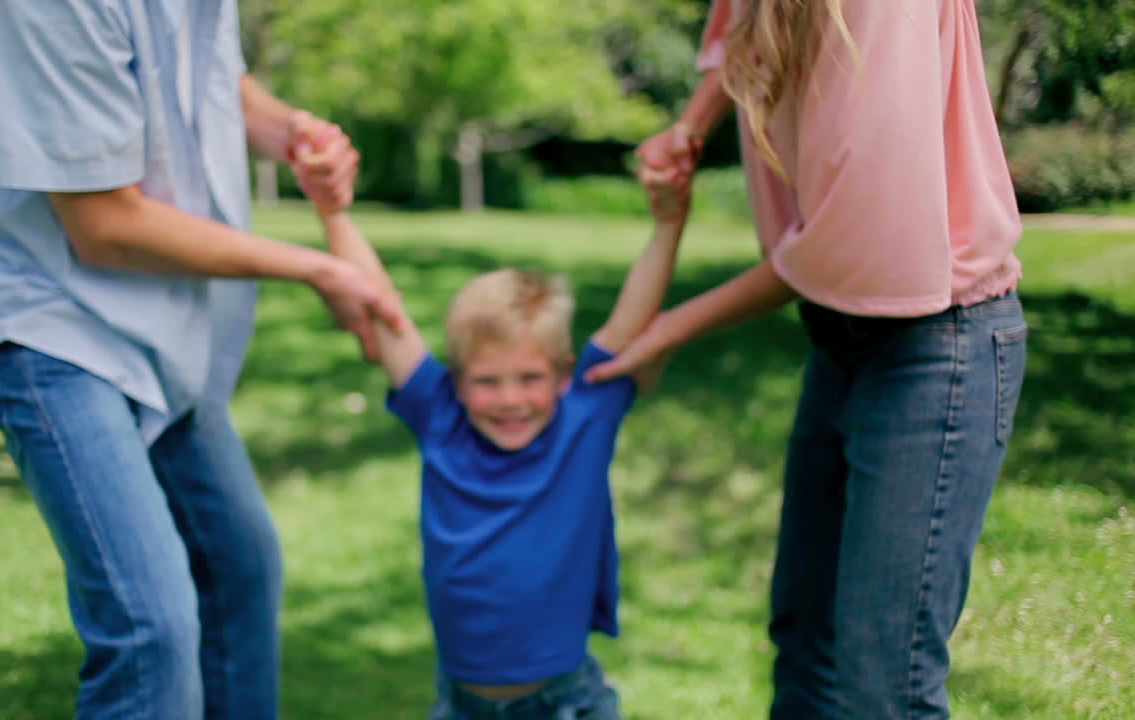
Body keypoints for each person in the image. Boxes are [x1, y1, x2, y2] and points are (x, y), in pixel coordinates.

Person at [0, 2, 399, 718]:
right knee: (152, 628)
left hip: (154, 322)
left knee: (239, 570)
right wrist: (317, 268)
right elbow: (104, 226)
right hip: (45, 318)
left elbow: (210, 74)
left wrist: (290, 132)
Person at [587, 1, 1029, 718]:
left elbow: (853, 236)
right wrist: (689, 127)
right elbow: (740, 28)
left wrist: (670, 328)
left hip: (935, 343)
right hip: (840, 334)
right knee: (806, 649)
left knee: (882, 683)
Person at [304, 144, 690, 719]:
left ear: (563, 375)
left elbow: (631, 318)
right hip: (462, 704)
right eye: (487, 381)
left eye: (529, 378)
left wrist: (668, 223)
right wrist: (334, 214)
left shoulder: (584, 417)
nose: (510, 400)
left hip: (566, 703)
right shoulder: (441, 417)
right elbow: (385, 313)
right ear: (456, 383)